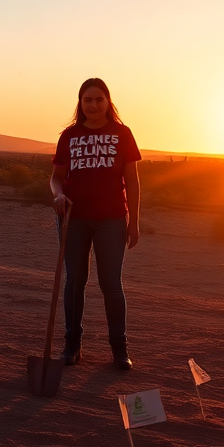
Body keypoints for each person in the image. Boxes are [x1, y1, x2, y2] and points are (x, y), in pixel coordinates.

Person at [48, 78, 143, 369]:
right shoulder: (69, 135)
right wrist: (59, 194)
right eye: (87, 100)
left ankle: (119, 349)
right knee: (75, 282)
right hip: (73, 219)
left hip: (112, 218)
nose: (93, 105)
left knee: (111, 284)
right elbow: (56, 177)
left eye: (99, 99)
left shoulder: (122, 134)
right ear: (81, 103)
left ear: (108, 102)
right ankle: (72, 346)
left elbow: (133, 181)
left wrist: (134, 222)